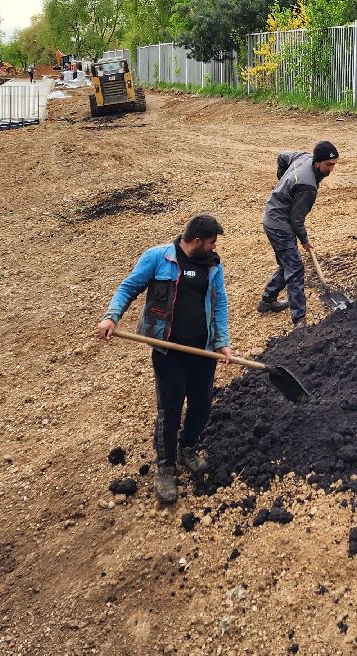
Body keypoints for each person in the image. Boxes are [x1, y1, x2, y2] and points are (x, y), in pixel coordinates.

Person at [96, 214, 230, 504]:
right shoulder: (159, 258)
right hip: (168, 350)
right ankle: (165, 468)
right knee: (170, 408)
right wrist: (111, 316)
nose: (214, 247)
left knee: (202, 403)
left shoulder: (212, 265)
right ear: (197, 241)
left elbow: (219, 302)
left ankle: (188, 448)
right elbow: (129, 287)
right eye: (211, 242)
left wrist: (222, 342)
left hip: (203, 350)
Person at [260, 141, 339, 327]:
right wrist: (304, 240)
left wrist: (282, 179)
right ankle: (300, 322)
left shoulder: (303, 157)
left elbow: (282, 157)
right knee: (295, 269)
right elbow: (296, 220)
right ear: (317, 162)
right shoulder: (307, 186)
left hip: (273, 215)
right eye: (328, 165)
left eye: (334, 164)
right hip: (279, 224)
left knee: (288, 263)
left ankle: (267, 300)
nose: (331, 169)